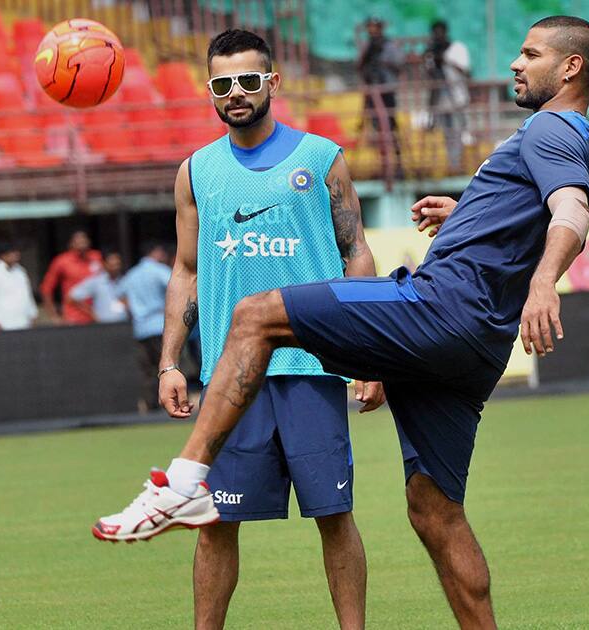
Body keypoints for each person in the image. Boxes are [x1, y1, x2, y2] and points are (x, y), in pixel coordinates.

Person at [95, 16, 589, 629]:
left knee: (256, 315)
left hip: (440, 309)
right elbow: (530, 208)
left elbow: (570, 210)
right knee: (434, 511)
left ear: (571, 67)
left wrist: (546, 280)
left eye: (530, 53)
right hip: (476, 346)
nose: (515, 64)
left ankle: (182, 480)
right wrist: (466, 213)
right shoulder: (571, 135)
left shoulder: (551, 126)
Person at [95, 29, 382, 630]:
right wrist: (171, 361)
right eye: (222, 84)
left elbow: (357, 253)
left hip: (312, 366)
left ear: (272, 82)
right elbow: (187, 270)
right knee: (214, 521)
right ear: (210, 90)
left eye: (249, 81)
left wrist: (367, 352)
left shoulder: (320, 158)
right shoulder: (196, 171)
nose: (236, 94)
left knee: (335, 514)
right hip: (231, 378)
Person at [116, 242, 173, 411]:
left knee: (147, 370)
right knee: (168, 366)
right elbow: (177, 285)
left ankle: (151, 405)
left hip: (140, 328)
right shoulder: (158, 270)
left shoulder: (131, 274)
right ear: (155, 252)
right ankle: (172, 402)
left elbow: (119, 295)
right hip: (159, 325)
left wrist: (134, 310)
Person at [357, 17, 404, 174]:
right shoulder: (368, 46)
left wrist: (382, 61)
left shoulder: (388, 45)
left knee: (390, 127)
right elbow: (361, 66)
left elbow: (398, 63)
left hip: (386, 91)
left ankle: (397, 165)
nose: (372, 30)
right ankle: (383, 167)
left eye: (375, 27)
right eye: (370, 27)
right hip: (372, 92)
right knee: (376, 129)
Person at [424, 20, 471, 173]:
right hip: (440, 99)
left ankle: (457, 164)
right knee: (446, 134)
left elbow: (466, 72)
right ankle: (452, 164)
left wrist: (445, 60)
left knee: (458, 132)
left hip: (457, 97)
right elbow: (429, 76)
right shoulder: (431, 52)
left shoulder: (456, 49)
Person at [39, 230, 102, 325]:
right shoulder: (62, 261)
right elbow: (46, 288)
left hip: (98, 315)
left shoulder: (97, 257)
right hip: (73, 317)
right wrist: (53, 316)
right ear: (71, 243)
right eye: (78, 241)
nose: (82, 243)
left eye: (84, 240)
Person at [0, 242, 38, 331]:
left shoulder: (20, 271)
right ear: (2, 255)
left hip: (24, 323)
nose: (17, 254)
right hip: (5, 325)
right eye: (12, 252)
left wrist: (32, 314)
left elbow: (27, 295)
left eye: (17, 251)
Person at [67, 250, 127, 324]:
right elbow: (72, 297)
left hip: (123, 323)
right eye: (112, 265)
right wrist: (92, 313)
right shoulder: (96, 282)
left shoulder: (126, 281)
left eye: (117, 265)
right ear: (104, 264)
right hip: (103, 325)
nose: (115, 268)